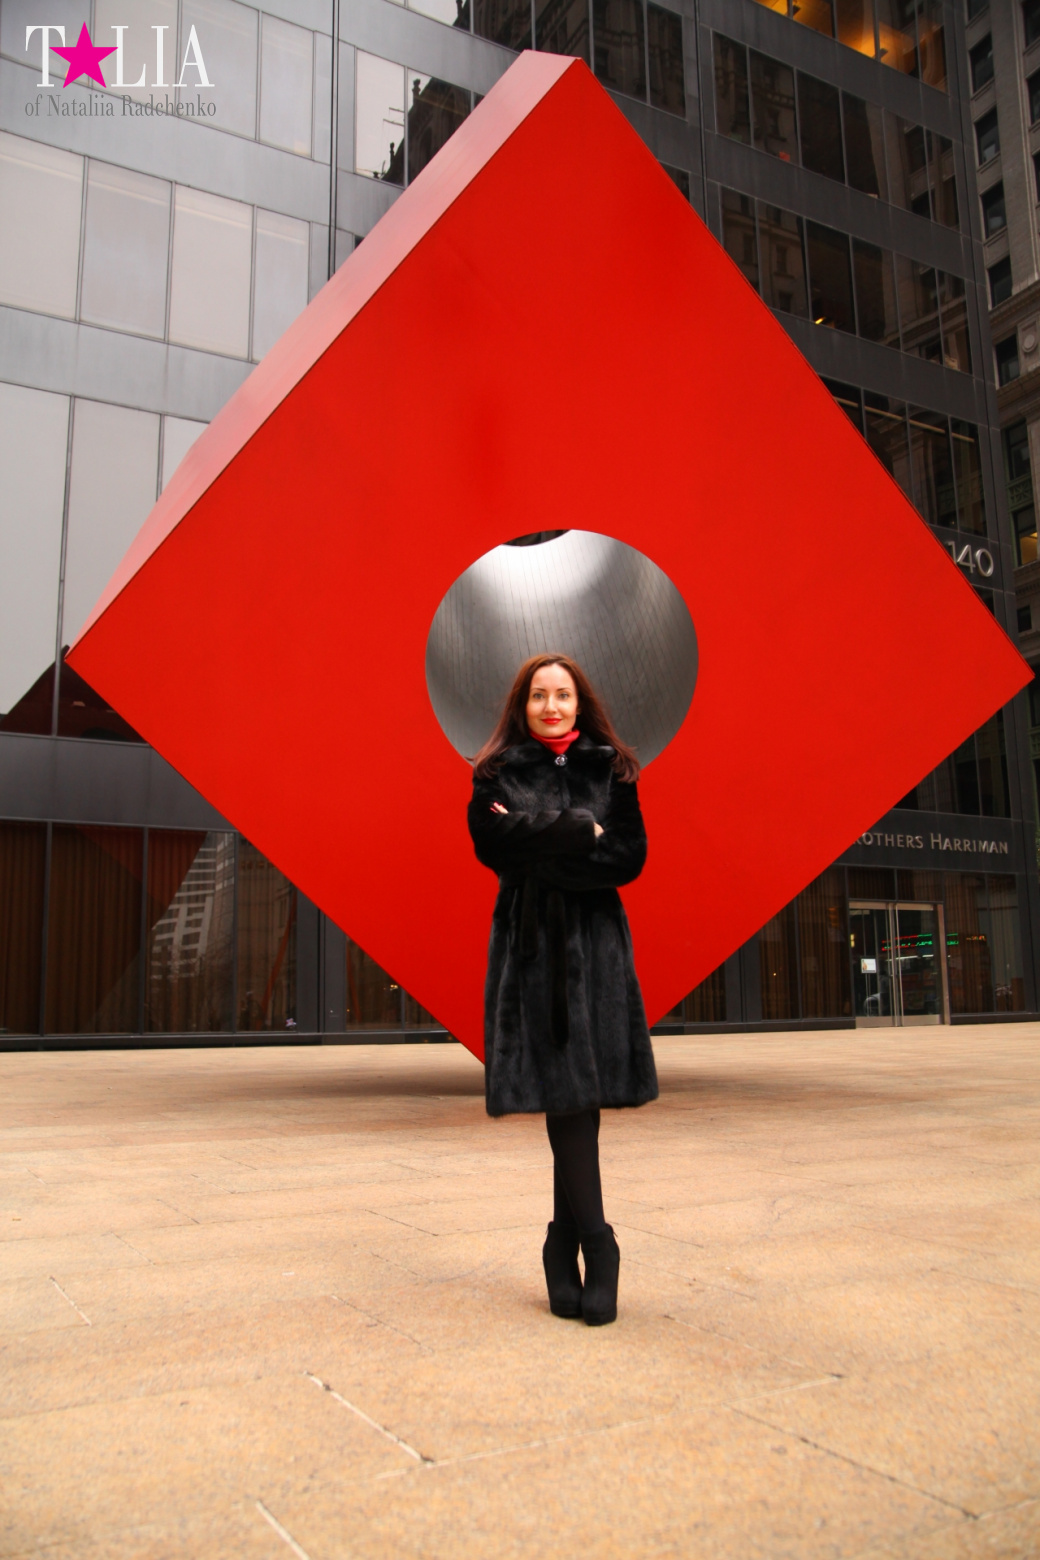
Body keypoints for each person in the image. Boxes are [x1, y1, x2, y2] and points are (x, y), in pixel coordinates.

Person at [467, 653, 658, 1326]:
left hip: (599, 954)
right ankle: (598, 1247)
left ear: (581, 703)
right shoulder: (497, 774)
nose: (552, 707)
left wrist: (546, 854)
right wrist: (580, 830)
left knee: (576, 1098)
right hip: (534, 954)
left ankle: (562, 1243)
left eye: (563, 696)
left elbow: (628, 858)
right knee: (567, 1094)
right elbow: (491, 843)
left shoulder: (612, 770)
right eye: (539, 696)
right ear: (522, 706)